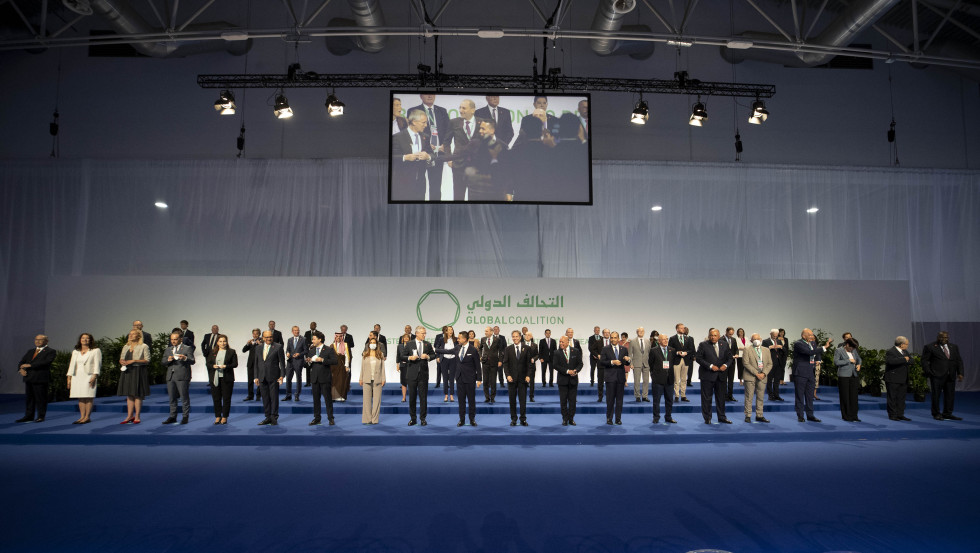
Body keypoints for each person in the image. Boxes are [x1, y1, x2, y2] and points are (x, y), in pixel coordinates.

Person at [410, 94, 451, 200]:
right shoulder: (413, 110)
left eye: (432, 94)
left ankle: (435, 212)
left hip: (438, 154)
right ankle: (420, 212)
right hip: (421, 153)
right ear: (420, 96)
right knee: (419, 187)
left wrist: (444, 145)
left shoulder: (442, 111)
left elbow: (449, 131)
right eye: (426, 94)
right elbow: (411, 131)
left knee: (436, 188)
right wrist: (427, 144)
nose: (430, 95)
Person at [921, 331, 964, 421]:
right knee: (936, 395)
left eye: (946, 337)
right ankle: (936, 413)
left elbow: (958, 360)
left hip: (951, 375)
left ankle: (947, 413)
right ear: (938, 337)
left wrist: (960, 373)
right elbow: (924, 361)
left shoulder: (954, 347)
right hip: (937, 375)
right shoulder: (930, 347)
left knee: (950, 395)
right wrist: (929, 372)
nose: (944, 339)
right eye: (942, 337)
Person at [391, 108, 434, 200]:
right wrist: (405, 157)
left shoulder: (425, 137)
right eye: (423, 122)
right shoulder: (397, 137)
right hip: (402, 182)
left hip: (420, 182)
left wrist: (428, 156)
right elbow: (391, 157)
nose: (425, 125)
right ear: (414, 122)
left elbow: (432, 154)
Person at [792, 328, 832, 423]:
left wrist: (818, 359)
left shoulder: (813, 343)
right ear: (803, 336)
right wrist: (824, 347)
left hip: (810, 372)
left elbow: (815, 352)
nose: (812, 336)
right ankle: (800, 416)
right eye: (809, 335)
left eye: (812, 335)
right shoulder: (798, 344)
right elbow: (809, 352)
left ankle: (810, 415)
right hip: (800, 372)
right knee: (800, 395)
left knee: (810, 396)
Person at [695, 328, 734, 425]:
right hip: (707, 376)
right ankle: (707, 418)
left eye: (715, 335)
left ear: (719, 336)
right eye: (711, 335)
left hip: (721, 376)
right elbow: (698, 358)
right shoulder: (703, 345)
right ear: (708, 336)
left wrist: (725, 365)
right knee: (706, 398)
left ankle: (722, 417)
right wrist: (710, 366)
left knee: (721, 398)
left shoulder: (724, 344)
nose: (713, 337)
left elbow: (730, 357)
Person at [16, 334, 55, 423]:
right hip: (29, 378)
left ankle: (41, 416)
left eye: (40, 340)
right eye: (36, 339)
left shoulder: (50, 351)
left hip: (40, 378)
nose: (37, 341)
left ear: (46, 341)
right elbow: (22, 362)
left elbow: (46, 362)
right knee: (29, 398)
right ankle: (29, 416)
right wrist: (20, 369)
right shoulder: (30, 351)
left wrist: (30, 365)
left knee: (41, 398)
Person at [402, 326, 435, 426]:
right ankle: (413, 418)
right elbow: (402, 356)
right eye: (422, 333)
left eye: (425, 333)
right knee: (412, 398)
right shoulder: (409, 344)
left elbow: (434, 355)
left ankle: (423, 418)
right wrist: (410, 357)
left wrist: (428, 357)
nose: (424, 335)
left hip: (423, 375)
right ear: (416, 334)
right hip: (412, 375)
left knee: (423, 398)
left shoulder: (427, 344)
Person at [117, 329, 150, 424]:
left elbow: (147, 360)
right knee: (129, 394)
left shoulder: (144, 346)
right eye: (130, 334)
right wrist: (121, 361)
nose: (130, 336)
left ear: (138, 336)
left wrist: (134, 360)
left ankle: (137, 416)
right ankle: (129, 416)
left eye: (133, 334)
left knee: (137, 394)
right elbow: (121, 358)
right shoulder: (126, 346)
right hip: (127, 371)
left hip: (138, 371)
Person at [66, 332, 101, 424]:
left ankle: (87, 417)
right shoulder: (75, 352)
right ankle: (81, 417)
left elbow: (97, 364)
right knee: (81, 397)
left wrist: (95, 375)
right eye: (82, 338)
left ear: (90, 340)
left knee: (88, 396)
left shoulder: (95, 350)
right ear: (80, 340)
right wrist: (69, 378)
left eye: (87, 338)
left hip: (89, 375)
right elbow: (71, 365)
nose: (84, 340)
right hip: (77, 376)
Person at [163, 331, 195, 425]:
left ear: (180, 339)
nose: (173, 341)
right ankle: (173, 416)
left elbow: (192, 361)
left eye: (175, 339)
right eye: (172, 339)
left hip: (182, 376)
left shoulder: (187, 348)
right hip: (170, 376)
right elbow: (163, 361)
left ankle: (185, 416)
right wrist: (168, 360)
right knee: (172, 398)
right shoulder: (168, 349)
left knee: (184, 397)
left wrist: (184, 358)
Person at [205, 334, 238, 425]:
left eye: (224, 341)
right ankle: (218, 416)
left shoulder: (231, 351)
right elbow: (208, 364)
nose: (223, 343)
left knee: (226, 398)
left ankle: (224, 417)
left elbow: (235, 364)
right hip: (215, 378)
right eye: (220, 341)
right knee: (216, 398)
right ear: (217, 343)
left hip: (227, 378)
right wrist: (213, 366)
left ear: (227, 342)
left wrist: (226, 366)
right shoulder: (212, 352)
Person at [599, 331, 631, 425]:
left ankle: (618, 419)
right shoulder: (605, 349)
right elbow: (602, 362)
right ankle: (609, 418)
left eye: (615, 337)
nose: (613, 339)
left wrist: (628, 360)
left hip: (620, 378)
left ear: (618, 339)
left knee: (620, 400)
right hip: (610, 378)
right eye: (611, 338)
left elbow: (626, 363)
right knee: (610, 400)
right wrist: (612, 362)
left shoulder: (624, 349)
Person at [254, 330, 284, 425]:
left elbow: (282, 364)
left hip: (274, 377)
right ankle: (267, 417)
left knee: (274, 398)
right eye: (266, 337)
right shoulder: (258, 348)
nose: (269, 339)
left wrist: (282, 376)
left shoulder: (278, 347)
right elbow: (256, 364)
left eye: (270, 337)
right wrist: (256, 377)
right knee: (265, 398)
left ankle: (274, 417)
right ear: (263, 338)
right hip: (262, 377)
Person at [306, 331, 337, 426]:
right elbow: (307, 365)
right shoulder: (311, 350)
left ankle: (330, 418)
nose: (312, 341)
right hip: (314, 379)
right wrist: (309, 361)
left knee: (328, 399)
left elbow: (335, 361)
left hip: (325, 378)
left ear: (320, 339)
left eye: (314, 339)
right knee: (316, 400)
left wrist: (322, 360)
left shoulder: (328, 349)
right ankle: (317, 418)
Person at [502, 330, 532, 426]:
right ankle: (513, 419)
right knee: (512, 400)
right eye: (513, 337)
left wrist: (528, 375)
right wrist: (508, 375)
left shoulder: (527, 348)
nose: (514, 338)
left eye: (516, 336)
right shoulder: (508, 349)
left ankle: (523, 419)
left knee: (523, 400)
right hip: (512, 379)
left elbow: (529, 364)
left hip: (523, 379)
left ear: (520, 337)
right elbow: (505, 364)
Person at [741, 333, 772, 423]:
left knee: (760, 397)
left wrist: (764, 373)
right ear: (751, 340)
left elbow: (770, 364)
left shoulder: (766, 350)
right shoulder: (747, 349)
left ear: (761, 339)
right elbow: (745, 363)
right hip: (750, 376)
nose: (756, 340)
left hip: (762, 376)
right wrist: (756, 373)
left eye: (757, 338)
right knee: (749, 397)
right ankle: (748, 415)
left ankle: (759, 415)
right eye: (754, 339)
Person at [454, 331, 482, 426]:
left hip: (470, 379)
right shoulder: (457, 348)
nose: (458, 339)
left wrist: (479, 379)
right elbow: (447, 351)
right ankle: (461, 419)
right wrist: (435, 350)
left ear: (464, 339)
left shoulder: (473, 350)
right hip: (459, 378)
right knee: (461, 401)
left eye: (459, 338)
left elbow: (478, 366)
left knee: (471, 400)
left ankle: (472, 419)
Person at [553, 335, 582, 426]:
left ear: (568, 342)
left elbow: (580, 364)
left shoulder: (576, 351)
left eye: (562, 342)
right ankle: (565, 419)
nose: (561, 343)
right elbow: (555, 365)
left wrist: (576, 371)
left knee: (572, 401)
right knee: (563, 401)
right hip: (562, 380)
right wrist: (567, 371)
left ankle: (571, 418)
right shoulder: (557, 352)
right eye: (560, 342)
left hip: (573, 380)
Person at [648, 334, 676, 424]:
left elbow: (673, 363)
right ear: (659, 341)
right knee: (657, 400)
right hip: (658, 380)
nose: (665, 341)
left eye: (666, 339)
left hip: (669, 379)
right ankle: (656, 417)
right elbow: (651, 364)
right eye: (663, 339)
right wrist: (653, 375)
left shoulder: (672, 350)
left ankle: (668, 417)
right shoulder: (653, 350)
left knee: (669, 400)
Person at [359, 335, 386, 424]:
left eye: (374, 343)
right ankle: (367, 419)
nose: (372, 344)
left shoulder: (380, 354)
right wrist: (360, 378)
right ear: (368, 344)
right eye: (371, 343)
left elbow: (383, 368)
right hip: (366, 379)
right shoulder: (365, 354)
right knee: (366, 400)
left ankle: (375, 419)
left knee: (377, 400)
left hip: (377, 379)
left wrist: (383, 379)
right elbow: (362, 367)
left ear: (377, 344)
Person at [884, 336, 912, 421]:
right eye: (906, 344)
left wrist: (905, 359)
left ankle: (900, 414)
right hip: (893, 378)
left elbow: (912, 361)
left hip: (903, 378)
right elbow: (891, 362)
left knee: (901, 398)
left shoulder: (905, 351)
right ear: (901, 344)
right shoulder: (891, 351)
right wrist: (904, 359)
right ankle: (892, 415)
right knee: (892, 398)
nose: (907, 346)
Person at [834, 337, 862, 422]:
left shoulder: (853, 350)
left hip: (854, 375)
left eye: (854, 348)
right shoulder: (839, 350)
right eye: (851, 347)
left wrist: (859, 364)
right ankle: (846, 416)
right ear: (847, 345)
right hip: (844, 376)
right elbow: (836, 362)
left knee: (854, 397)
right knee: (845, 396)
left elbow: (859, 359)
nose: (852, 349)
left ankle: (854, 415)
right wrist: (848, 360)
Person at [668, 323, 695, 402]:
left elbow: (692, 349)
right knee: (676, 379)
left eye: (683, 328)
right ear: (677, 329)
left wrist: (686, 352)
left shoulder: (689, 339)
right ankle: (676, 395)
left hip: (686, 360)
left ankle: (683, 395)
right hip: (676, 360)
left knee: (684, 379)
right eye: (681, 328)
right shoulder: (672, 338)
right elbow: (670, 349)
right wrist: (677, 352)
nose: (683, 329)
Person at [481, 326, 504, 404]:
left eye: (487, 331)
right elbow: (480, 348)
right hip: (485, 362)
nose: (485, 332)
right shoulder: (483, 339)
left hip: (494, 362)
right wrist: (480, 356)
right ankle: (487, 397)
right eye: (485, 331)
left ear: (491, 332)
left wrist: (500, 360)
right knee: (485, 381)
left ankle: (492, 397)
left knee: (493, 381)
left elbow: (501, 351)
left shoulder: (497, 340)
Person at [283, 325, 306, 402]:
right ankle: (288, 395)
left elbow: (306, 351)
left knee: (298, 379)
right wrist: (287, 353)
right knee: (288, 378)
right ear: (292, 331)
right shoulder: (289, 340)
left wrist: (299, 354)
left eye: (297, 330)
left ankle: (297, 395)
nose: (296, 331)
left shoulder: (303, 339)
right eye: (295, 330)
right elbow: (287, 350)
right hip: (290, 362)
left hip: (299, 362)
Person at [434, 326, 457, 402]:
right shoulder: (441, 339)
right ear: (446, 331)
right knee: (445, 377)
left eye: (452, 329)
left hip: (453, 360)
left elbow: (457, 350)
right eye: (449, 330)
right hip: (444, 360)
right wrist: (437, 357)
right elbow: (437, 349)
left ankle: (451, 395)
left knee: (452, 378)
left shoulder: (456, 339)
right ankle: (446, 395)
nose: (451, 331)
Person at [763, 328, 787, 401]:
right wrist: (769, 347)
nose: (775, 337)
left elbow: (785, 351)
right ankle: (770, 395)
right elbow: (762, 350)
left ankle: (776, 395)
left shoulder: (779, 341)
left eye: (776, 336)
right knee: (769, 380)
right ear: (770, 334)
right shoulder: (765, 341)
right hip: (770, 363)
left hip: (778, 362)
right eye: (774, 336)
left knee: (777, 380)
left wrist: (781, 347)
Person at [629, 326, 651, 403]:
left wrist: (650, 363)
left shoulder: (647, 341)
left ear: (644, 332)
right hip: (636, 363)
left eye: (642, 331)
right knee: (637, 381)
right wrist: (631, 363)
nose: (641, 332)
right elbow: (630, 354)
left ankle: (645, 396)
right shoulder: (632, 341)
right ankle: (637, 396)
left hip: (646, 364)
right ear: (637, 332)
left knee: (646, 381)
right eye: (639, 331)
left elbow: (650, 353)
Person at [241, 328, 263, 401]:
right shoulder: (251, 342)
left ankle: (258, 395)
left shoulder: (262, 341)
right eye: (254, 334)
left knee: (259, 380)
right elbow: (243, 350)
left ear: (259, 334)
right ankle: (250, 395)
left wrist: (260, 344)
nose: (255, 335)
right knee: (250, 380)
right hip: (250, 364)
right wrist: (247, 344)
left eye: (256, 333)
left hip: (259, 364)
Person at [331, 332, 352, 402]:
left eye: (340, 337)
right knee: (334, 381)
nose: (338, 338)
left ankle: (341, 397)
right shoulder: (332, 345)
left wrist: (347, 366)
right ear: (335, 337)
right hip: (333, 367)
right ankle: (333, 397)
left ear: (342, 337)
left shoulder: (345, 345)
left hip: (342, 366)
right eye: (337, 337)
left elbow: (347, 356)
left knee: (342, 381)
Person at [590, 328, 610, 400]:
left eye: (608, 332)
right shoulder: (598, 341)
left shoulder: (612, 341)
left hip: (610, 366)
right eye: (605, 332)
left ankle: (610, 396)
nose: (607, 334)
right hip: (601, 364)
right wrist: (597, 354)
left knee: (610, 383)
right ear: (603, 334)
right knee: (600, 382)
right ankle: (600, 397)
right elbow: (591, 349)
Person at [723, 327, 740, 402]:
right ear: (726, 332)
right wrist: (729, 356)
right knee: (723, 380)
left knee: (731, 379)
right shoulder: (721, 339)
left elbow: (736, 348)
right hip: (724, 362)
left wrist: (737, 354)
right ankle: (724, 395)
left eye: (732, 334)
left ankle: (730, 395)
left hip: (732, 362)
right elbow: (721, 352)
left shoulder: (733, 339)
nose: (730, 335)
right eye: (729, 334)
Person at [397, 327, 413, 402]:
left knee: (410, 382)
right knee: (403, 382)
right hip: (402, 366)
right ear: (402, 339)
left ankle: (411, 397)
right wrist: (397, 365)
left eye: (407, 337)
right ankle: (404, 397)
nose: (406, 338)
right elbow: (398, 355)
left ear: (409, 339)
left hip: (410, 366)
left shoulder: (412, 346)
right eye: (405, 337)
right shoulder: (399, 346)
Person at [523, 331, 539, 402]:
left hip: (532, 366)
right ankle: (523, 396)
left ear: (531, 337)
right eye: (526, 335)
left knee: (532, 382)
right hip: (523, 366)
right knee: (523, 382)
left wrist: (534, 359)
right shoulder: (521, 344)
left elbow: (537, 355)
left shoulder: (534, 345)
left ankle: (531, 396)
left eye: (529, 335)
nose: (527, 336)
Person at [303, 322, 318, 386]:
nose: (312, 326)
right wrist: (309, 345)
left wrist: (314, 345)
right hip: (308, 352)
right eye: (311, 325)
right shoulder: (307, 333)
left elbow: (321, 341)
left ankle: (316, 381)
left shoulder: (318, 333)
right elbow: (304, 341)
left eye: (313, 325)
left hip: (316, 352)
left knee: (316, 367)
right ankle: (308, 382)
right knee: (308, 367)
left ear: (315, 326)